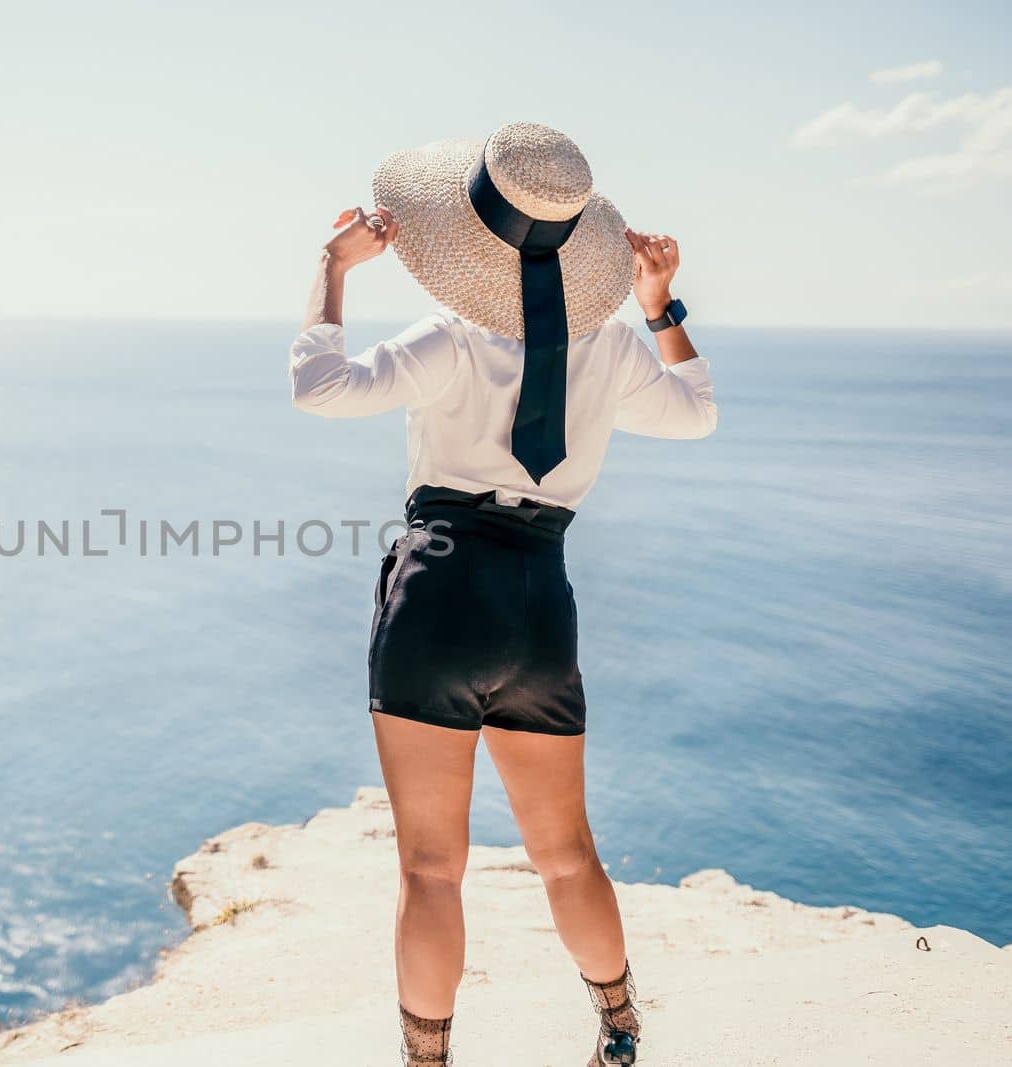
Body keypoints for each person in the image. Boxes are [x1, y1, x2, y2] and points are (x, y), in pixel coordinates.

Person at [288, 122, 718, 1066]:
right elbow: (697, 414)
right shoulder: (607, 350)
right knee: (566, 852)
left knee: (432, 868)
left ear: (470, 242)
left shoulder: (451, 338)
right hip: (540, 599)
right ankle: (619, 1029)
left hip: (440, 589)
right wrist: (657, 303)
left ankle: (429, 1059)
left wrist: (333, 266)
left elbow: (320, 387)